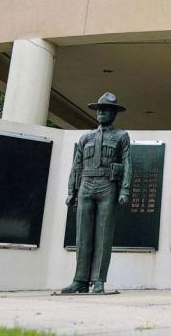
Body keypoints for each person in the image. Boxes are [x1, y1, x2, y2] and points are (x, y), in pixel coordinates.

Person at [61, 92, 132, 294]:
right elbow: (76, 165)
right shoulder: (86, 137)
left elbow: (127, 163)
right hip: (86, 184)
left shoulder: (121, 136)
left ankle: (98, 279)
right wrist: (71, 191)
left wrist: (124, 189)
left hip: (107, 185)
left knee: (103, 234)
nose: (101, 113)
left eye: (106, 110)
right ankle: (80, 279)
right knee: (82, 235)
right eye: (99, 109)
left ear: (114, 113)